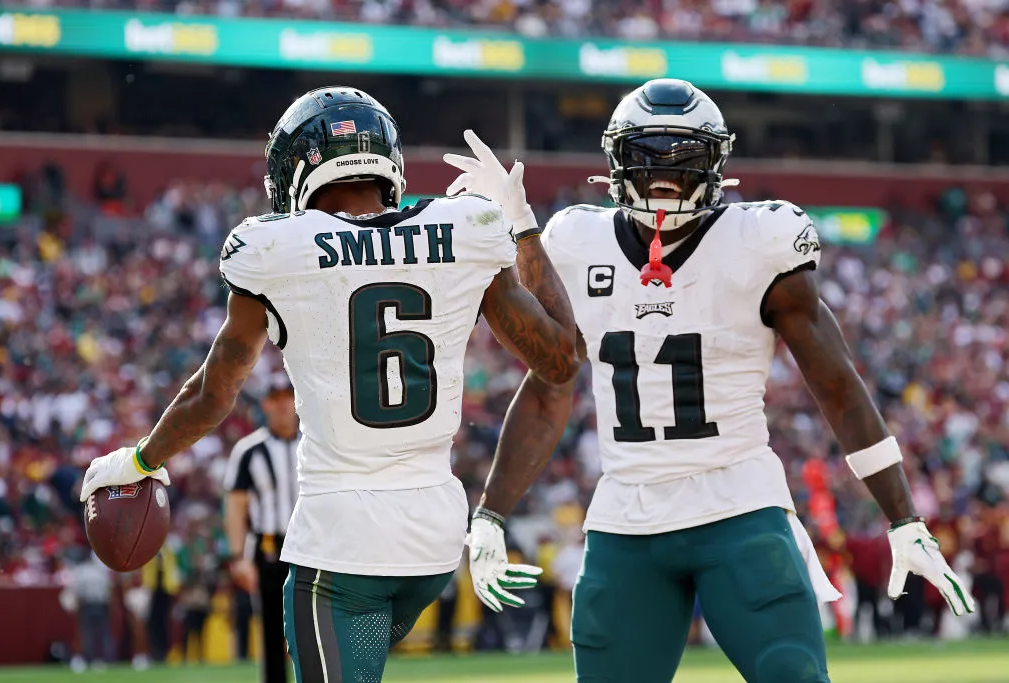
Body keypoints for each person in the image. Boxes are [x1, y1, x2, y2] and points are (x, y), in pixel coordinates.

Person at [463, 78, 976, 682]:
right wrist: (491, 514)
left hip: (738, 506)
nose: (665, 179)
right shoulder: (577, 241)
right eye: (650, 160)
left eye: (682, 163)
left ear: (715, 167)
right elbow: (551, 384)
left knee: (792, 675)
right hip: (627, 516)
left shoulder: (757, 243)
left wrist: (903, 516)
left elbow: (837, 385)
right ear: (617, 163)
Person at [79, 86, 580, 683]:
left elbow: (214, 393)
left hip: (342, 540)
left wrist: (140, 459)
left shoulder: (274, 248)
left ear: (295, 170)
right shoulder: (465, 228)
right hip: (434, 538)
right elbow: (561, 360)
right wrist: (522, 225)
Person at [223, 372, 300, 683]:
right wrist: (238, 555)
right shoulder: (249, 450)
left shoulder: (314, 444)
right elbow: (236, 505)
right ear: (266, 404)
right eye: (276, 400)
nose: (282, 406)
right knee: (271, 627)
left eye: (287, 399)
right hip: (268, 546)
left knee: (313, 626)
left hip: (311, 543)